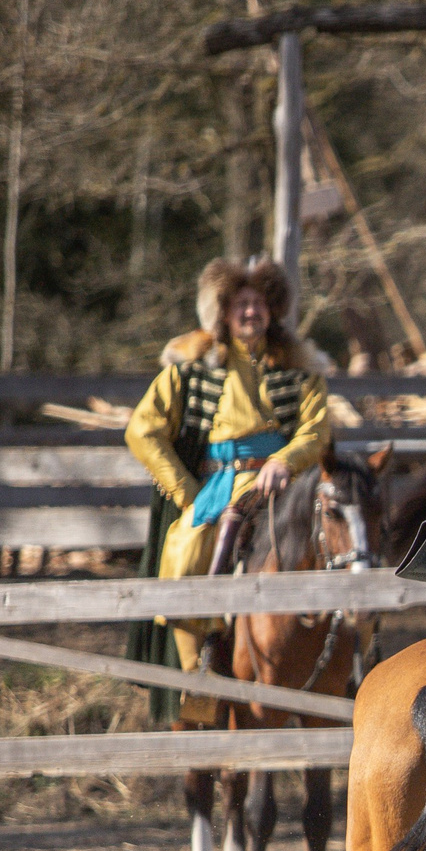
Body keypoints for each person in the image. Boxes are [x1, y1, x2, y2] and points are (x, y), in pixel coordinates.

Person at [124, 257, 332, 724]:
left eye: (259, 303)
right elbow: (142, 430)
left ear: (272, 308)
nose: (251, 312)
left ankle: (343, 659)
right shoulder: (192, 367)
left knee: (339, 544)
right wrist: (186, 492)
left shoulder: (299, 368)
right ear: (223, 310)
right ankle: (197, 675)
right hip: (219, 486)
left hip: (287, 486)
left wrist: (284, 461)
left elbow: (317, 432)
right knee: (185, 548)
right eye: (242, 303)